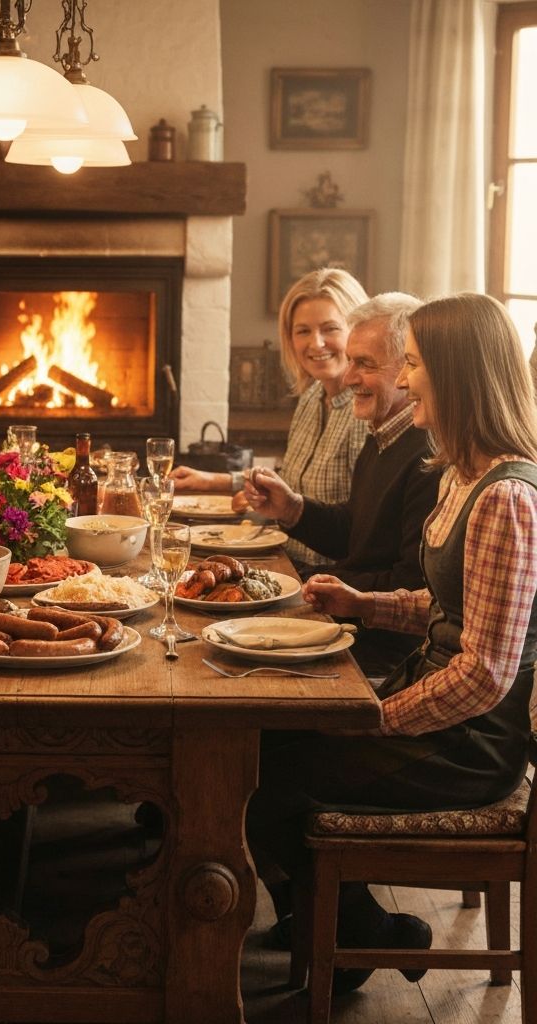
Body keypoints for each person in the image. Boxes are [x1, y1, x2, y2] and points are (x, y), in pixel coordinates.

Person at [246, 292, 537, 997]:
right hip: (432, 707)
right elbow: (444, 606)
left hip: (468, 746)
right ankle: (341, 926)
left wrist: (377, 718)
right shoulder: (463, 475)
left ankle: (361, 934)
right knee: (258, 747)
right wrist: (363, 602)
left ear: (458, 376)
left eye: (413, 364)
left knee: (259, 784)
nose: (404, 382)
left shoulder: (506, 498)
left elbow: (485, 674)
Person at [241, 293, 439, 677]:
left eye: (364, 364)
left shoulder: (428, 456)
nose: (348, 378)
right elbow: (355, 531)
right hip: (348, 622)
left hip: (380, 650)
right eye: (351, 361)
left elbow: (411, 586)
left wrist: (306, 580)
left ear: (407, 368)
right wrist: (292, 509)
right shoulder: (382, 434)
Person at [171, 268, 370, 569]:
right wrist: (212, 480)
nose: (315, 343)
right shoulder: (311, 397)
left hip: (322, 573)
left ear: (355, 330)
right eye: (303, 331)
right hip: (282, 553)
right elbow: (288, 480)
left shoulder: (364, 412)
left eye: (330, 328)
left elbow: (358, 526)